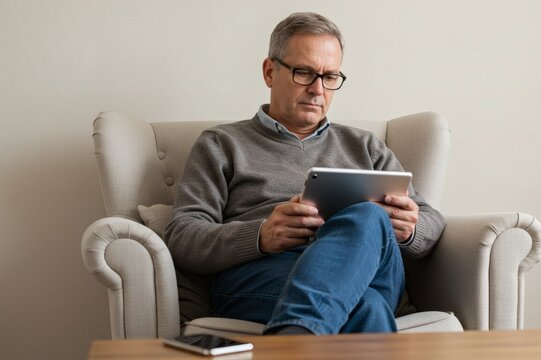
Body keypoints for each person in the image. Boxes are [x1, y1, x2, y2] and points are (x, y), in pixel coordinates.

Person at [164, 12, 445, 335]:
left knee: (368, 216)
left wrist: (410, 229)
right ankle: (301, 332)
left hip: (367, 270)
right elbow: (182, 236)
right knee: (367, 307)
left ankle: (295, 337)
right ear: (270, 72)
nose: (317, 89)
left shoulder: (366, 147)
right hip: (265, 275)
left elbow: (432, 220)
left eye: (329, 77)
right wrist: (260, 236)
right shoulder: (221, 144)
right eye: (304, 73)